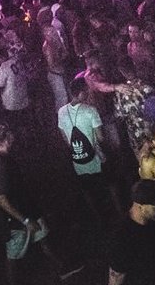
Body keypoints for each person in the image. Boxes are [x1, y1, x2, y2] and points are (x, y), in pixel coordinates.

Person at [0, 123, 83, 282]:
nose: (14, 136)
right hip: (15, 222)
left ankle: (61, 268)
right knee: (14, 257)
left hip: (28, 211)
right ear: (6, 138)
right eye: (11, 134)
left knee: (44, 238)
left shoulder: (5, 157)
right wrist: (25, 220)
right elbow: (2, 200)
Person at [58, 76, 112, 222]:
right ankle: (116, 212)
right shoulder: (90, 111)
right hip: (96, 158)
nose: (89, 93)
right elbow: (100, 138)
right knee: (109, 184)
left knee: (87, 190)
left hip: (78, 160)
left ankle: (97, 217)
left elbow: (65, 138)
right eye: (87, 90)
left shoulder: (61, 111)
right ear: (81, 93)